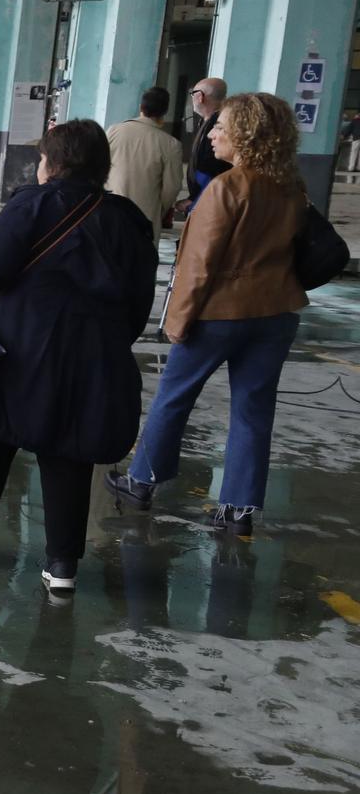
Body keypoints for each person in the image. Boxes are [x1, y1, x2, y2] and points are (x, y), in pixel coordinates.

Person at [0, 121, 156, 593]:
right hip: (94, 357)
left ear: (52, 163)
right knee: (69, 453)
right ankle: (62, 565)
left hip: (19, 349)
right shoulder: (129, 220)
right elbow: (140, 302)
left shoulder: (31, 204)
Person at [105, 92, 309, 537]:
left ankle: (141, 482)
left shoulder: (227, 188)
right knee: (254, 410)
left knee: (174, 397)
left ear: (246, 134)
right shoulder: (292, 185)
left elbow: (198, 267)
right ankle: (238, 510)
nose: (212, 134)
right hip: (276, 311)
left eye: (221, 127)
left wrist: (176, 322)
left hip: (219, 313)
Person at [105, 86, 184, 238]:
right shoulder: (171, 144)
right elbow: (172, 187)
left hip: (109, 210)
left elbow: (98, 167)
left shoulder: (113, 131)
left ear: (141, 107)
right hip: (145, 216)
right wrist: (158, 209)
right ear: (165, 112)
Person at [183, 75, 228, 210]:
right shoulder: (206, 121)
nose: (211, 135)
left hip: (208, 200)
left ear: (200, 96)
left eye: (193, 94)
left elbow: (211, 167)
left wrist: (195, 199)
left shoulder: (219, 123)